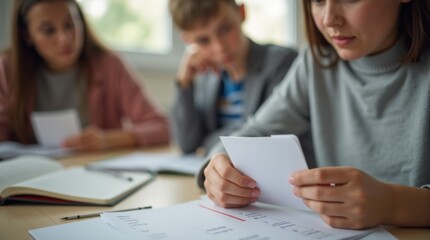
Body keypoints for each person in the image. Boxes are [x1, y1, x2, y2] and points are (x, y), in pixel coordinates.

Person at [200, 0, 430, 230]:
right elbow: (254, 131)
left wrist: (392, 204)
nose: (330, 19)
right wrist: (218, 165)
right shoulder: (316, 61)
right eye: (318, 1)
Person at [0, 0, 170, 151]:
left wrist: (107, 140)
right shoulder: (8, 69)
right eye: (48, 30)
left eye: (70, 24)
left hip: (96, 175)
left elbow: (161, 127)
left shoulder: (109, 66)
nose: (64, 39)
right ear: (27, 36)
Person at [169, 0, 297, 154]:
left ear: (242, 12)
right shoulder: (205, 76)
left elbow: (263, 138)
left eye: (225, 29)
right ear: (188, 40)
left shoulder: (282, 63)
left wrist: (207, 141)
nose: (219, 47)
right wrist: (184, 83)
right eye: (203, 40)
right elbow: (187, 144)